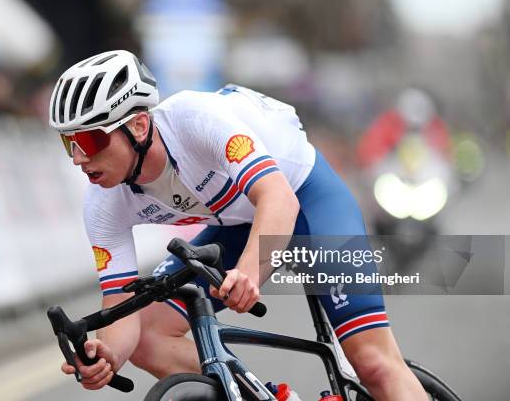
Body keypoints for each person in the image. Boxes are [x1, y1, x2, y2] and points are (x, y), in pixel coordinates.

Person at [49, 50, 428, 400]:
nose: (79, 158)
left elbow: (279, 199)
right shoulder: (103, 201)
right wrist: (108, 354)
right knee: (148, 335)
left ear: (140, 125)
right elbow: (120, 304)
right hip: (239, 222)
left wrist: (248, 272)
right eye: (70, 144)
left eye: (90, 139)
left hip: (306, 200)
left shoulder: (195, 120)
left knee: (374, 365)